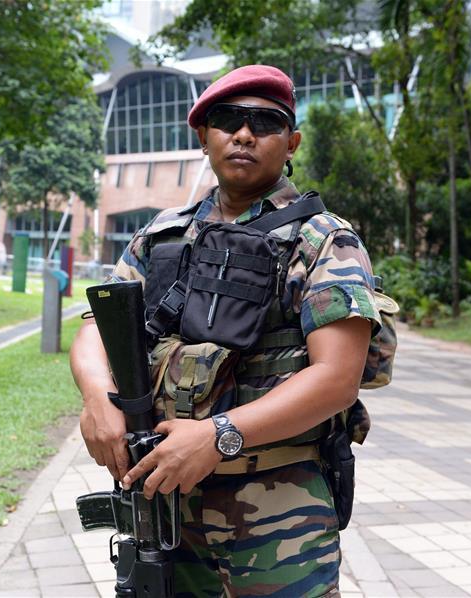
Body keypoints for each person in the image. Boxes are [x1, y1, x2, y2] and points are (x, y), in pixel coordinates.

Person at [70, 64, 381, 597]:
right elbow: (97, 327)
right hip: (163, 504)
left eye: (265, 122)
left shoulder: (323, 241)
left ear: (292, 143)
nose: (243, 133)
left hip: (278, 511)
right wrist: (98, 398)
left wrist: (217, 437)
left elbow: (336, 378)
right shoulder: (162, 235)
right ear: (203, 136)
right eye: (227, 119)